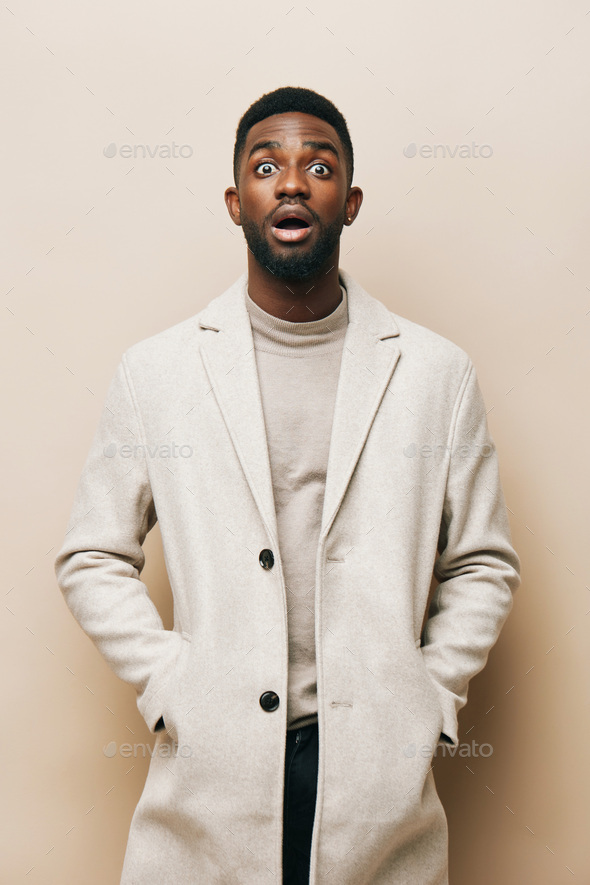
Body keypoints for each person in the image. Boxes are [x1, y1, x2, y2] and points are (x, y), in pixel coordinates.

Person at [54, 86, 521, 885]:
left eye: (320, 165)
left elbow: (483, 562)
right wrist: (171, 681)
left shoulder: (436, 374)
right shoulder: (159, 372)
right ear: (237, 202)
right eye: (268, 166)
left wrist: (429, 695)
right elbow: (91, 554)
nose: (294, 182)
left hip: (379, 783)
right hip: (210, 783)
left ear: (352, 200)